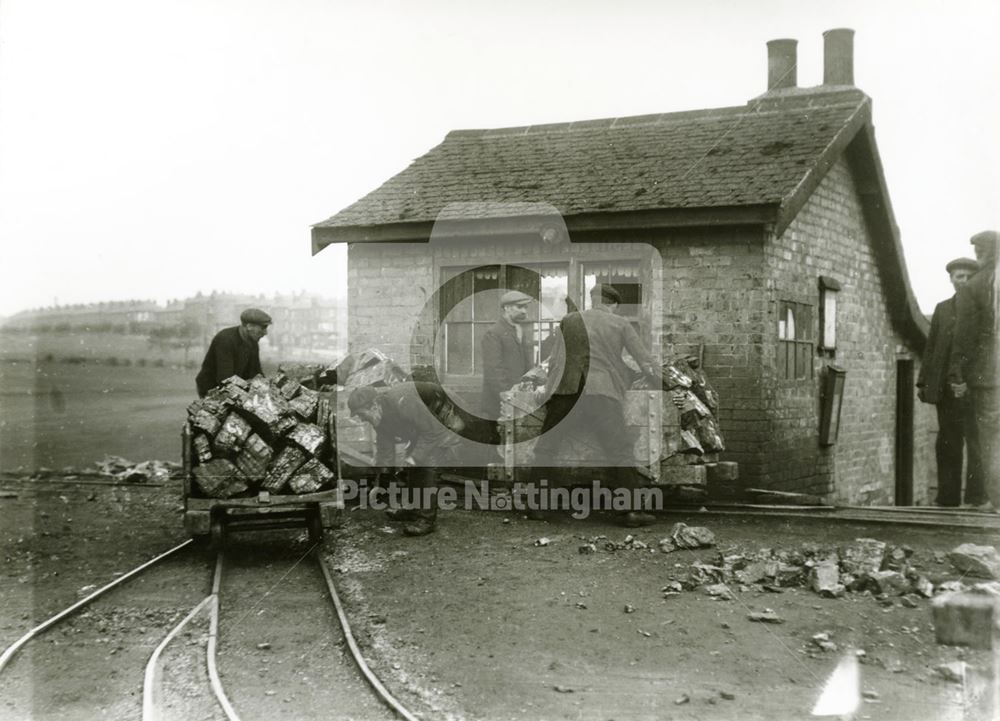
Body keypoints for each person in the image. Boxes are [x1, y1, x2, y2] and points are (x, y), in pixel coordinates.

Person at [530, 284, 661, 527]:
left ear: (592, 300)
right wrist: (664, 384)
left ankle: (538, 509)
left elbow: (556, 361)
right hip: (603, 392)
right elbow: (646, 362)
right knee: (620, 450)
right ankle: (631, 511)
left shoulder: (568, 321)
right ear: (613, 305)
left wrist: (547, 392)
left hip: (567, 391)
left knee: (546, 447)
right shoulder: (620, 323)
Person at [348, 381, 461, 536]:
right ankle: (413, 510)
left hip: (449, 416)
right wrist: (381, 479)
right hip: (425, 426)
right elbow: (385, 450)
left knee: (426, 464)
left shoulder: (403, 402)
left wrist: (415, 458)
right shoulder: (379, 416)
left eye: (361, 414)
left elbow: (432, 432)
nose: (361, 419)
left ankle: (426, 520)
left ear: (373, 406)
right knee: (412, 462)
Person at [916, 256, 982, 506]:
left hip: (973, 391)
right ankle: (948, 497)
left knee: (976, 444)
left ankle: (977, 498)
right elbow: (931, 349)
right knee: (947, 442)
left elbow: (986, 352)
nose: (963, 281)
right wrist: (924, 382)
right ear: (951, 279)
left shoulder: (983, 310)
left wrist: (970, 382)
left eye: (968, 276)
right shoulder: (943, 309)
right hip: (946, 392)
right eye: (958, 276)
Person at [948, 230, 999, 512]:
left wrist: (958, 372)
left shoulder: (973, 287)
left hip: (988, 377)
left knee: (989, 440)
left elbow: (964, 336)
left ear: (982, 253)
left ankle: (998, 501)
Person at [480, 290, 535, 439]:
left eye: (525, 307)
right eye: (520, 307)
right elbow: (494, 372)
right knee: (499, 447)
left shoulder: (519, 330)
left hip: (518, 400)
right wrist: (508, 398)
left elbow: (527, 364)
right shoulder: (494, 333)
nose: (524, 311)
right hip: (499, 403)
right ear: (507, 308)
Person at [195, 308, 271, 397]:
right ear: (249, 326)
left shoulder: (252, 342)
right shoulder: (225, 339)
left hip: (232, 386)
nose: (265, 332)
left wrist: (268, 389)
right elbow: (225, 378)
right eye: (263, 327)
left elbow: (256, 373)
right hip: (211, 388)